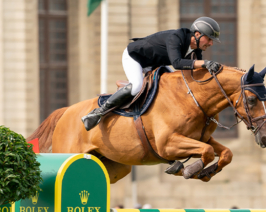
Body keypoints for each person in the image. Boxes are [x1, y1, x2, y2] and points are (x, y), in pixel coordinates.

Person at [81, 17, 223, 130]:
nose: (210, 43)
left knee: (174, 85)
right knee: (137, 86)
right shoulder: (177, 37)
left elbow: (194, 72)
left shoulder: (196, 49)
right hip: (135, 58)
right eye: (209, 39)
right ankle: (98, 112)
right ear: (197, 34)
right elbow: (177, 63)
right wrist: (205, 63)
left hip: (154, 65)